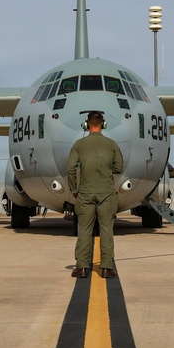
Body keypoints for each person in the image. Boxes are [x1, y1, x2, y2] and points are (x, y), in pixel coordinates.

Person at [67, 111, 123, 278]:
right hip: (106, 193)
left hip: (85, 193)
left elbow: (71, 169)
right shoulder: (112, 144)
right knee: (106, 230)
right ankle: (106, 268)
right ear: (103, 124)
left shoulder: (79, 145)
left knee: (84, 229)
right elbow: (118, 168)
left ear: (86, 124)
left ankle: (82, 267)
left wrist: (74, 189)